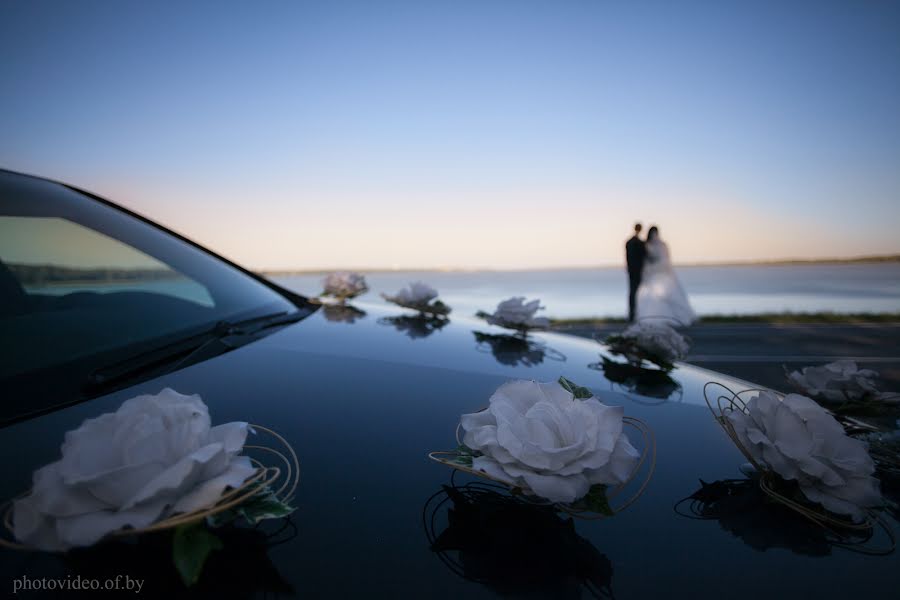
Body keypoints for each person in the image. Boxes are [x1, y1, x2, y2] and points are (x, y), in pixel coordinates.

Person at [635, 226, 697, 325]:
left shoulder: (655, 245)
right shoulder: (650, 245)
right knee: (653, 296)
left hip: (658, 273)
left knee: (661, 295)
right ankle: (653, 316)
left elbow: (663, 260)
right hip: (654, 273)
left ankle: (663, 316)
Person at [624, 223, 645, 322]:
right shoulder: (637, 242)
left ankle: (633, 315)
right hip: (637, 271)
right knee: (634, 293)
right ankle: (633, 315)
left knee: (633, 293)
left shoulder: (629, 242)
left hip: (632, 271)